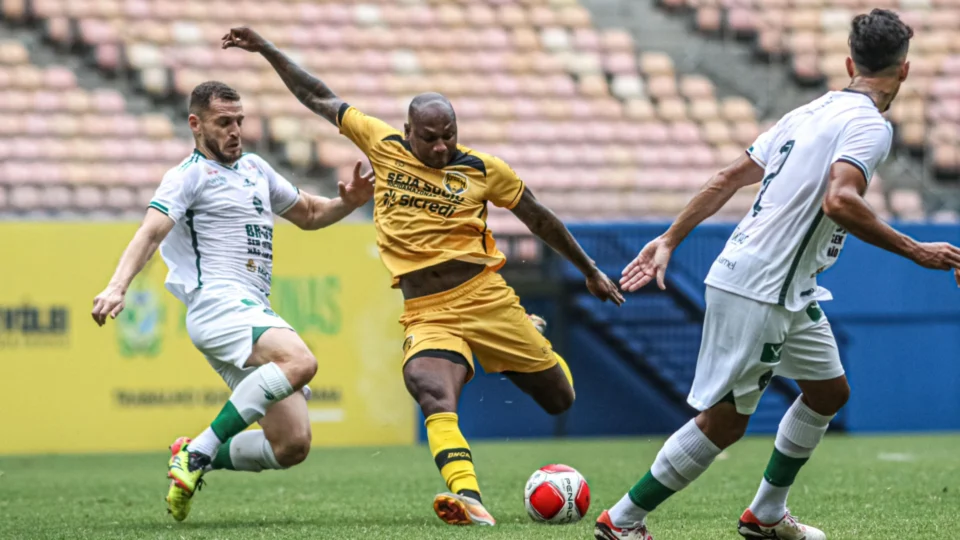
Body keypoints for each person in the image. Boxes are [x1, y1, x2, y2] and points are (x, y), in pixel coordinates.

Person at [221, 27, 624, 526]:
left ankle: (527, 332)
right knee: (428, 386)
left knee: (558, 398)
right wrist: (266, 49)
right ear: (409, 131)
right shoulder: (381, 143)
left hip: (486, 299)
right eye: (429, 139)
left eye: (448, 136)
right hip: (427, 311)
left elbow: (538, 217)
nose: (440, 148)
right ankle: (468, 497)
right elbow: (317, 96)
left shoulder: (483, 169)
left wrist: (589, 271)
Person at [596, 9, 960, 540]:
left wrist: (670, 238)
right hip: (761, 288)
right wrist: (915, 251)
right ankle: (623, 521)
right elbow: (839, 201)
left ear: (848, 62)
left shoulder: (807, 113)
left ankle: (765, 515)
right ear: (903, 72)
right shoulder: (869, 125)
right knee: (726, 423)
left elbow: (728, 177)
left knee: (829, 393)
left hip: (783, 286)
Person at [91, 81, 375, 522]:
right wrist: (116, 286)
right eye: (224, 122)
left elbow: (311, 214)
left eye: (239, 121)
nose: (235, 131)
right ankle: (201, 452)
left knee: (292, 445)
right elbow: (150, 232)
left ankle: (191, 451)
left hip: (249, 307)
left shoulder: (256, 169)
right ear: (195, 124)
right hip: (217, 305)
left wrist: (348, 202)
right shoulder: (188, 175)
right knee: (300, 361)